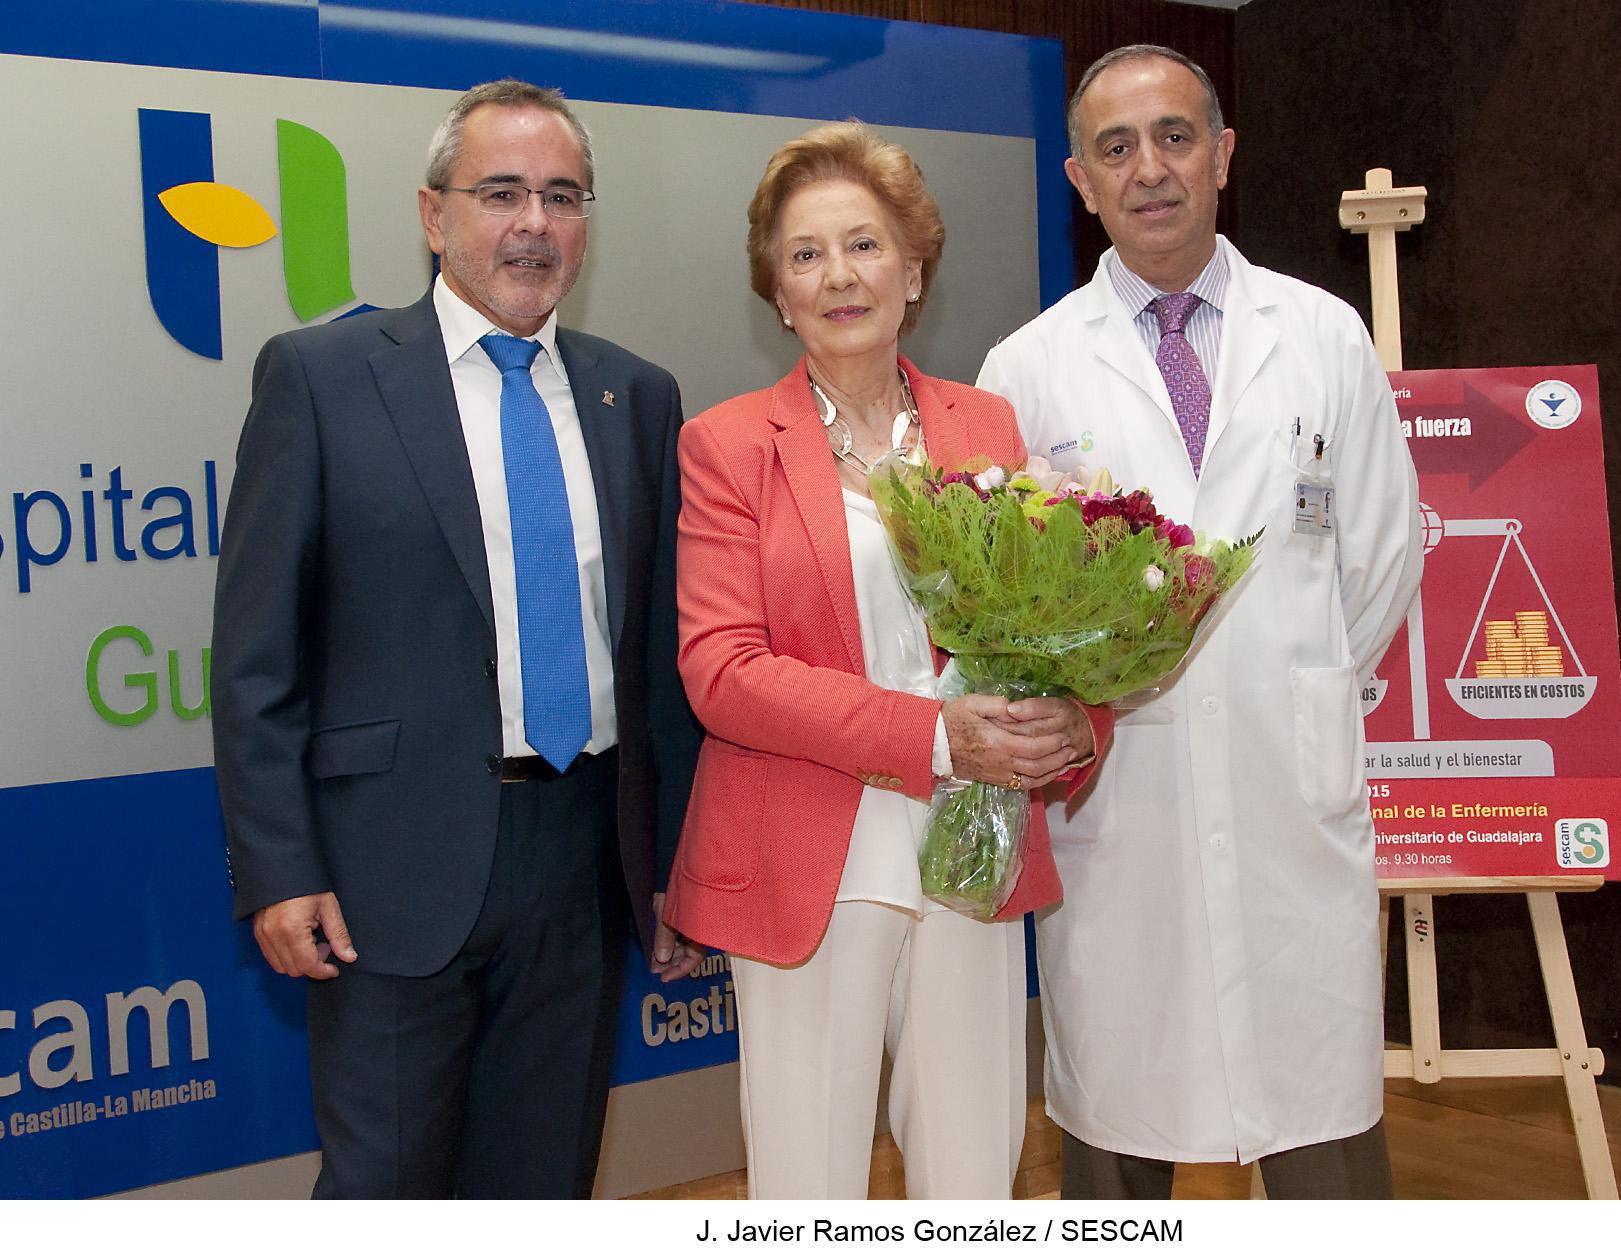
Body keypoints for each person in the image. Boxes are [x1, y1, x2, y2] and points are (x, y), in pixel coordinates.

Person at [212, 79, 700, 1199]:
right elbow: (254, 659)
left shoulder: (638, 395)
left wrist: (673, 862)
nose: (535, 222)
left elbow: (658, 662)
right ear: (435, 215)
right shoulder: (321, 379)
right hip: (388, 872)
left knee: (542, 1186)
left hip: (583, 863)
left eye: (563, 196)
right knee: (384, 1189)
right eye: (502, 192)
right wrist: (280, 867)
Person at [977, 46, 1423, 1199]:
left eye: (1175, 137)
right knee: (1120, 1122)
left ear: (1223, 155)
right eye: (1116, 147)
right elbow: (1012, 607)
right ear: (1080, 180)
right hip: (1122, 806)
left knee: (1320, 1134)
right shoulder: (1026, 368)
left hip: (1289, 795)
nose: (1150, 169)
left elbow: (1378, 562)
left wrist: (1287, 679)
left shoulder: (1323, 336)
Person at [655, 122, 1113, 1200]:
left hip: (970, 843)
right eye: (805, 254)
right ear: (777, 294)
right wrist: (932, 734)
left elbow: (1046, 627)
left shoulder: (986, 424)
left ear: (913, 270)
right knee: (807, 1178)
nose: (837, 276)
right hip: (808, 849)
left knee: (972, 1166)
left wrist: (1074, 721)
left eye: (863, 245)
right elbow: (722, 669)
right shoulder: (728, 445)